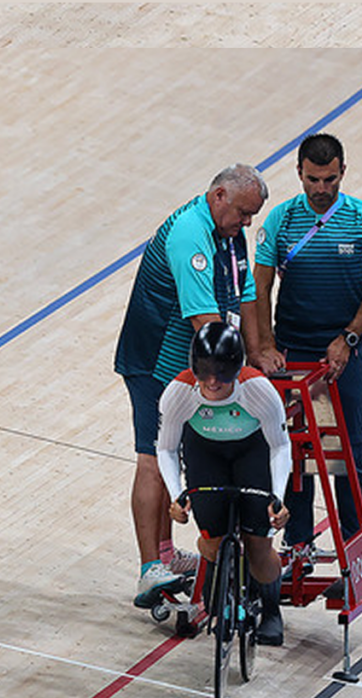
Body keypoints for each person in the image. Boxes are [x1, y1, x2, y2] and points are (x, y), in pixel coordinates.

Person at [115, 163, 269, 607]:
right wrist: (242, 378)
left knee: (172, 459)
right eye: (242, 212)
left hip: (192, 365)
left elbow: (245, 297)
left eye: (252, 215)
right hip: (155, 362)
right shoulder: (190, 234)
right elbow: (205, 322)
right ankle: (149, 570)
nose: (247, 222)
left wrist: (258, 352)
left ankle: (166, 554)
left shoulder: (230, 234)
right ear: (219, 196)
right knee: (153, 457)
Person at [252, 133, 362, 566]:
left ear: (343, 173)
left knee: (351, 450)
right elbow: (259, 286)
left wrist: (349, 337)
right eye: (314, 179)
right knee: (299, 449)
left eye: (330, 179)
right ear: (299, 173)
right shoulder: (280, 220)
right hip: (294, 347)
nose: (322, 188)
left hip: (349, 350)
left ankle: (355, 540)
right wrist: (264, 345)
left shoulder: (357, 220)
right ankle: (298, 541)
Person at [159, 322, 291, 645]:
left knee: (259, 546)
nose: (213, 382)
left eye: (222, 373)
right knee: (212, 542)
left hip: (252, 453)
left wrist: (278, 497)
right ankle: (222, 595)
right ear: (194, 368)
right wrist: (177, 496)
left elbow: (280, 446)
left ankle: (272, 611)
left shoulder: (258, 389)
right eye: (204, 373)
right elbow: (165, 448)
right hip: (206, 454)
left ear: (237, 368)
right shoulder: (178, 392)